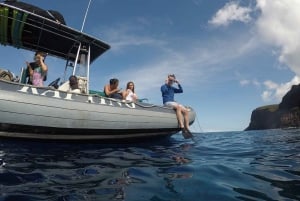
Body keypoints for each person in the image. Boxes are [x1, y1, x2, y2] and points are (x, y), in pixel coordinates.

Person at [160, 74, 192, 138]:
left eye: (172, 80)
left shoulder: (172, 88)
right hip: (167, 102)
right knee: (179, 107)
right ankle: (182, 127)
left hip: (173, 103)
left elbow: (181, 91)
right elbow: (164, 91)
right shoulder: (163, 86)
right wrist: (166, 84)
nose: (171, 81)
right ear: (168, 79)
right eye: (170, 80)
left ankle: (187, 128)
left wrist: (178, 83)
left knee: (186, 111)